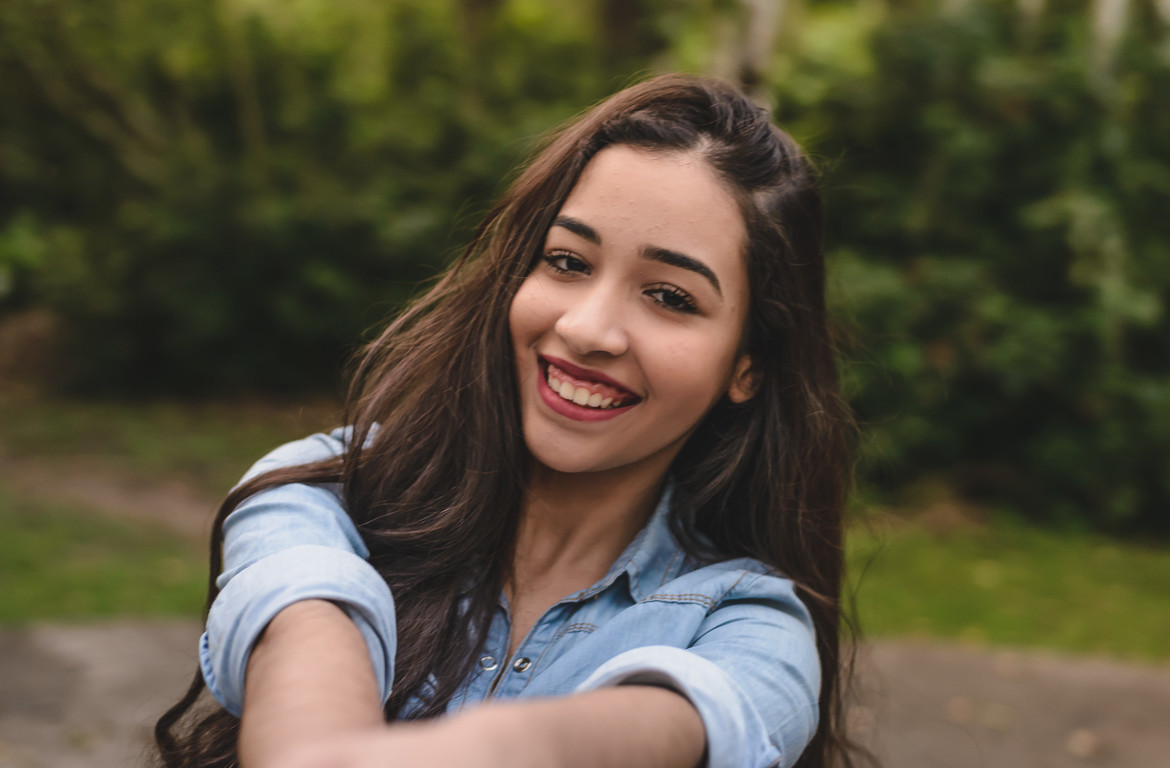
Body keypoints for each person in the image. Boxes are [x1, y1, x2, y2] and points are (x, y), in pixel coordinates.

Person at [154, 74, 855, 768]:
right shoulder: (324, 492)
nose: (586, 328)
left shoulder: (751, 629)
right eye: (567, 261)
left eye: (670, 297)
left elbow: (683, 721)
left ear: (748, 366)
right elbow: (305, 666)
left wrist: (512, 746)